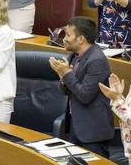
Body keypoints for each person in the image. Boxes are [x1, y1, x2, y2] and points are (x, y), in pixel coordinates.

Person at [48, 17, 113, 157]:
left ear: (81, 39)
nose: (64, 39)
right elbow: (66, 91)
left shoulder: (97, 61)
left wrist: (65, 73)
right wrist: (63, 76)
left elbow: (85, 95)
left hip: (93, 131)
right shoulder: (73, 55)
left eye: (68, 35)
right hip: (75, 125)